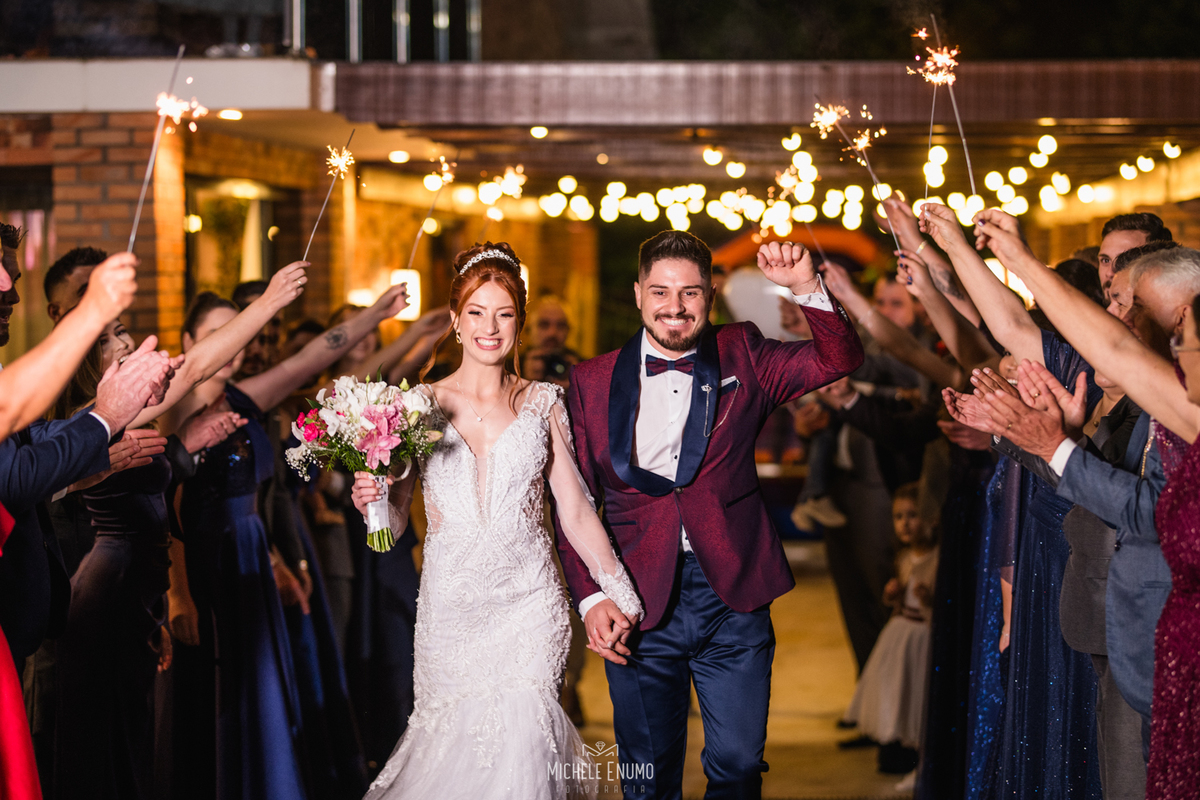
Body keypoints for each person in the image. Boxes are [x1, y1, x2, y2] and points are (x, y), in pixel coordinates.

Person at [556, 231, 863, 798]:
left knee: (739, 766)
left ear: (711, 295)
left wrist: (806, 287)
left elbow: (839, 358)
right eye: (660, 292)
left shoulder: (746, 354)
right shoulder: (589, 381)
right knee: (648, 779)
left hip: (732, 597)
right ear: (638, 294)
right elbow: (571, 502)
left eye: (690, 293)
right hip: (636, 601)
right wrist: (592, 596)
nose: (674, 307)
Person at [349, 241, 644, 799]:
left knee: (526, 754)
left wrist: (619, 594)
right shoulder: (418, 406)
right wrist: (374, 501)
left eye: (504, 314)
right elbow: (392, 524)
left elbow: (575, 509)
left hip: (530, 606)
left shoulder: (544, 402)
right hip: (451, 613)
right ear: (455, 320)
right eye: (477, 312)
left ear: (519, 324)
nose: (490, 327)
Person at [951, 215, 1200, 799]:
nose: (1119, 323)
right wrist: (1048, 440)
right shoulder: (1174, 399)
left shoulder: (1176, 402)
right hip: (1145, 634)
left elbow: (1150, 511)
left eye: (1134, 308)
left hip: (1170, 640)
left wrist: (1053, 446)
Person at [168, 280, 407, 800]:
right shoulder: (175, 407)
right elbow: (168, 507)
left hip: (252, 555)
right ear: (189, 341)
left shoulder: (243, 398)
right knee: (217, 691)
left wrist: (376, 314)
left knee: (262, 684)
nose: (234, 344)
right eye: (219, 333)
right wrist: (179, 592)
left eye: (239, 331)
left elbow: (310, 360)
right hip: (208, 561)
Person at [843, 484, 938, 788]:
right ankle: (905, 756)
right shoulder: (903, 557)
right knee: (898, 695)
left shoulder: (937, 559)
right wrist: (892, 595)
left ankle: (922, 764)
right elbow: (899, 604)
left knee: (919, 701)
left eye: (912, 515)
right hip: (900, 636)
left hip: (922, 638)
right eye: (898, 517)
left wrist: (929, 600)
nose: (905, 523)